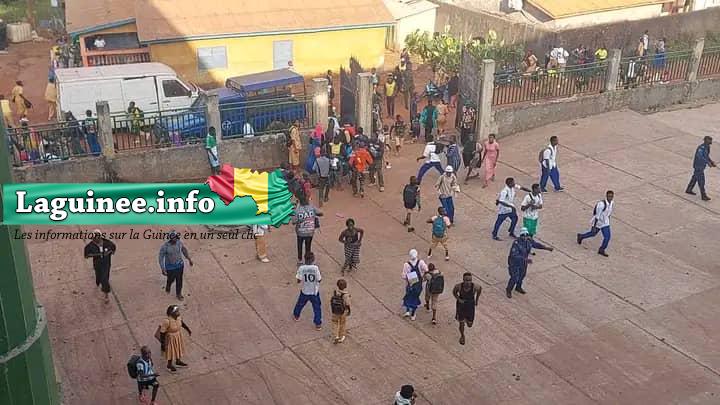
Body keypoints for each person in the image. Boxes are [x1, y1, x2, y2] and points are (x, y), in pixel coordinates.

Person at [506, 227, 553, 298]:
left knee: (522, 275)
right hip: (514, 263)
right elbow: (514, 255)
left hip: (524, 262)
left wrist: (546, 248)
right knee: (514, 277)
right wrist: (525, 259)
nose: (525, 237)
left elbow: (536, 245)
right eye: (523, 235)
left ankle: (518, 287)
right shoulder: (516, 243)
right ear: (520, 236)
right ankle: (509, 290)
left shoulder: (529, 240)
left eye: (526, 235)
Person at [577, 190, 615, 257]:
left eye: (611, 197)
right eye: (609, 196)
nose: (610, 198)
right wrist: (594, 226)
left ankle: (601, 249)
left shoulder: (612, 203)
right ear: (606, 196)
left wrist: (608, 221)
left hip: (605, 222)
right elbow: (597, 216)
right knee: (593, 233)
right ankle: (581, 236)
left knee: (607, 237)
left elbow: (608, 213)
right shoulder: (601, 204)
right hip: (598, 222)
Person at [158, 231, 194, 300]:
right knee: (171, 279)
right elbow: (160, 258)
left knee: (179, 280)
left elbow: (184, 250)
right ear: (169, 239)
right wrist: (162, 268)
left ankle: (178, 294)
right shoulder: (165, 247)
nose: (174, 239)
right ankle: (168, 285)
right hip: (170, 267)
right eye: (172, 238)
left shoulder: (179, 243)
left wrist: (189, 259)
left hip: (179, 265)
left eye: (175, 237)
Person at [83, 229, 116, 304]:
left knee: (105, 278)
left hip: (106, 264)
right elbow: (86, 255)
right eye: (95, 237)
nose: (96, 239)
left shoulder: (107, 243)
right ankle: (98, 282)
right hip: (97, 265)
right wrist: (97, 255)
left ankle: (106, 295)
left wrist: (110, 252)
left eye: (98, 237)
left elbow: (113, 248)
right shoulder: (90, 246)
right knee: (98, 277)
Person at [155, 305, 191, 372]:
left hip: (178, 336)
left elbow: (182, 323)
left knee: (178, 348)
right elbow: (162, 333)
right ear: (172, 313)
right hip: (170, 338)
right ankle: (169, 365)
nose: (178, 312)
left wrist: (188, 329)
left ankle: (178, 361)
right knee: (170, 351)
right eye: (176, 311)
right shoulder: (167, 321)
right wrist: (163, 344)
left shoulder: (179, 318)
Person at [293, 251, 323, 330]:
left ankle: (296, 316)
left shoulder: (301, 268)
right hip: (314, 292)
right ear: (313, 259)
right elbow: (319, 279)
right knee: (317, 307)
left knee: (300, 304)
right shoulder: (315, 268)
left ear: (305, 259)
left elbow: (299, 280)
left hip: (305, 291)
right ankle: (318, 324)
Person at [453, 272, 481, 345]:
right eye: (466, 280)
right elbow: (454, 292)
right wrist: (458, 299)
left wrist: (476, 300)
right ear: (463, 280)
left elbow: (480, 290)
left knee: (470, 325)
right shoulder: (459, 286)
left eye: (470, 280)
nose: (468, 282)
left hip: (470, 306)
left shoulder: (475, 287)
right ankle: (462, 336)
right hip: (461, 306)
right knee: (461, 323)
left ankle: (466, 320)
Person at [293, 194, 322, 264]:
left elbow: (294, 222)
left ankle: (300, 260)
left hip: (300, 232)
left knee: (299, 245)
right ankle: (307, 260)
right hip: (310, 231)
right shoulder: (312, 207)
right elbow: (321, 213)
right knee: (308, 246)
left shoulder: (297, 210)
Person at [686, 136, 716, 200]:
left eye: (711, 140)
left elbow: (706, 156)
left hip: (702, 166)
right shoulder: (701, 148)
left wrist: (711, 161)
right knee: (701, 181)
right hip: (698, 166)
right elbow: (700, 156)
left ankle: (689, 189)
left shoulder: (707, 147)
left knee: (695, 177)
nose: (711, 141)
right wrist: (708, 162)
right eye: (709, 140)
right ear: (705, 141)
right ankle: (703, 195)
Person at [402, 249, 428, 321]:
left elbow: (403, 276)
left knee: (408, 296)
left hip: (410, 284)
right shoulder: (421, 262)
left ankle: (407, 311)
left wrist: (410, 277)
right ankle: (413, 314)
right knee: (415, 298)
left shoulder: (406, 264)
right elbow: (426, 270)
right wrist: (423, 276)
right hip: (418, 284)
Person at [330, 279, 351, 344]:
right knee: (342, 323)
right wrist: (349, 310)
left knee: (334, 322)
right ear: (345, 286)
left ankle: (335, 336)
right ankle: (341, 336)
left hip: (335, 311)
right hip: (342, 311)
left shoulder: (335, 292)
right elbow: (347, 304)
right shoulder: (345, 295)